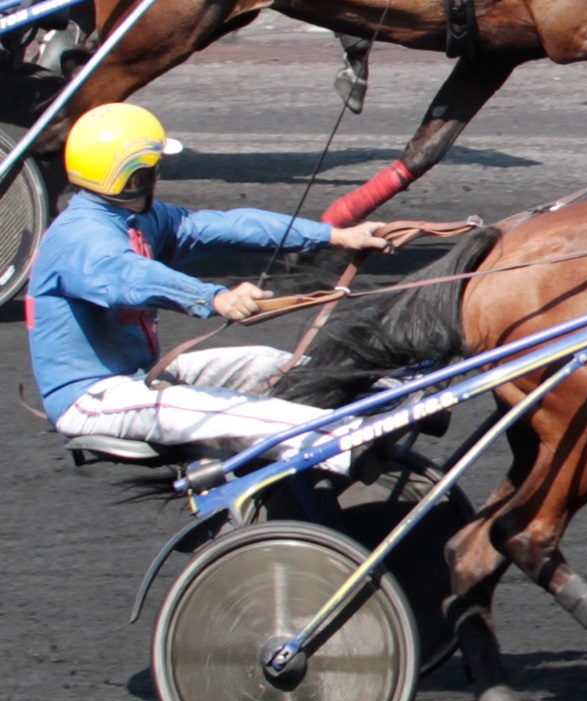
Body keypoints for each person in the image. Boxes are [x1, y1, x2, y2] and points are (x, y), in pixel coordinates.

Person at [26, 102, 391, 475]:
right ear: (135, 177)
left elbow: (228, 225)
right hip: (93, 398)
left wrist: (333, 235)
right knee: (229, 410)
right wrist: (215, 297)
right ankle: (348, 441)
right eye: (154, 169)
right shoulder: (78, 237)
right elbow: (131, 276)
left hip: (142, 374)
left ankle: (388, 395)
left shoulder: (139, 218)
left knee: (266, 363)